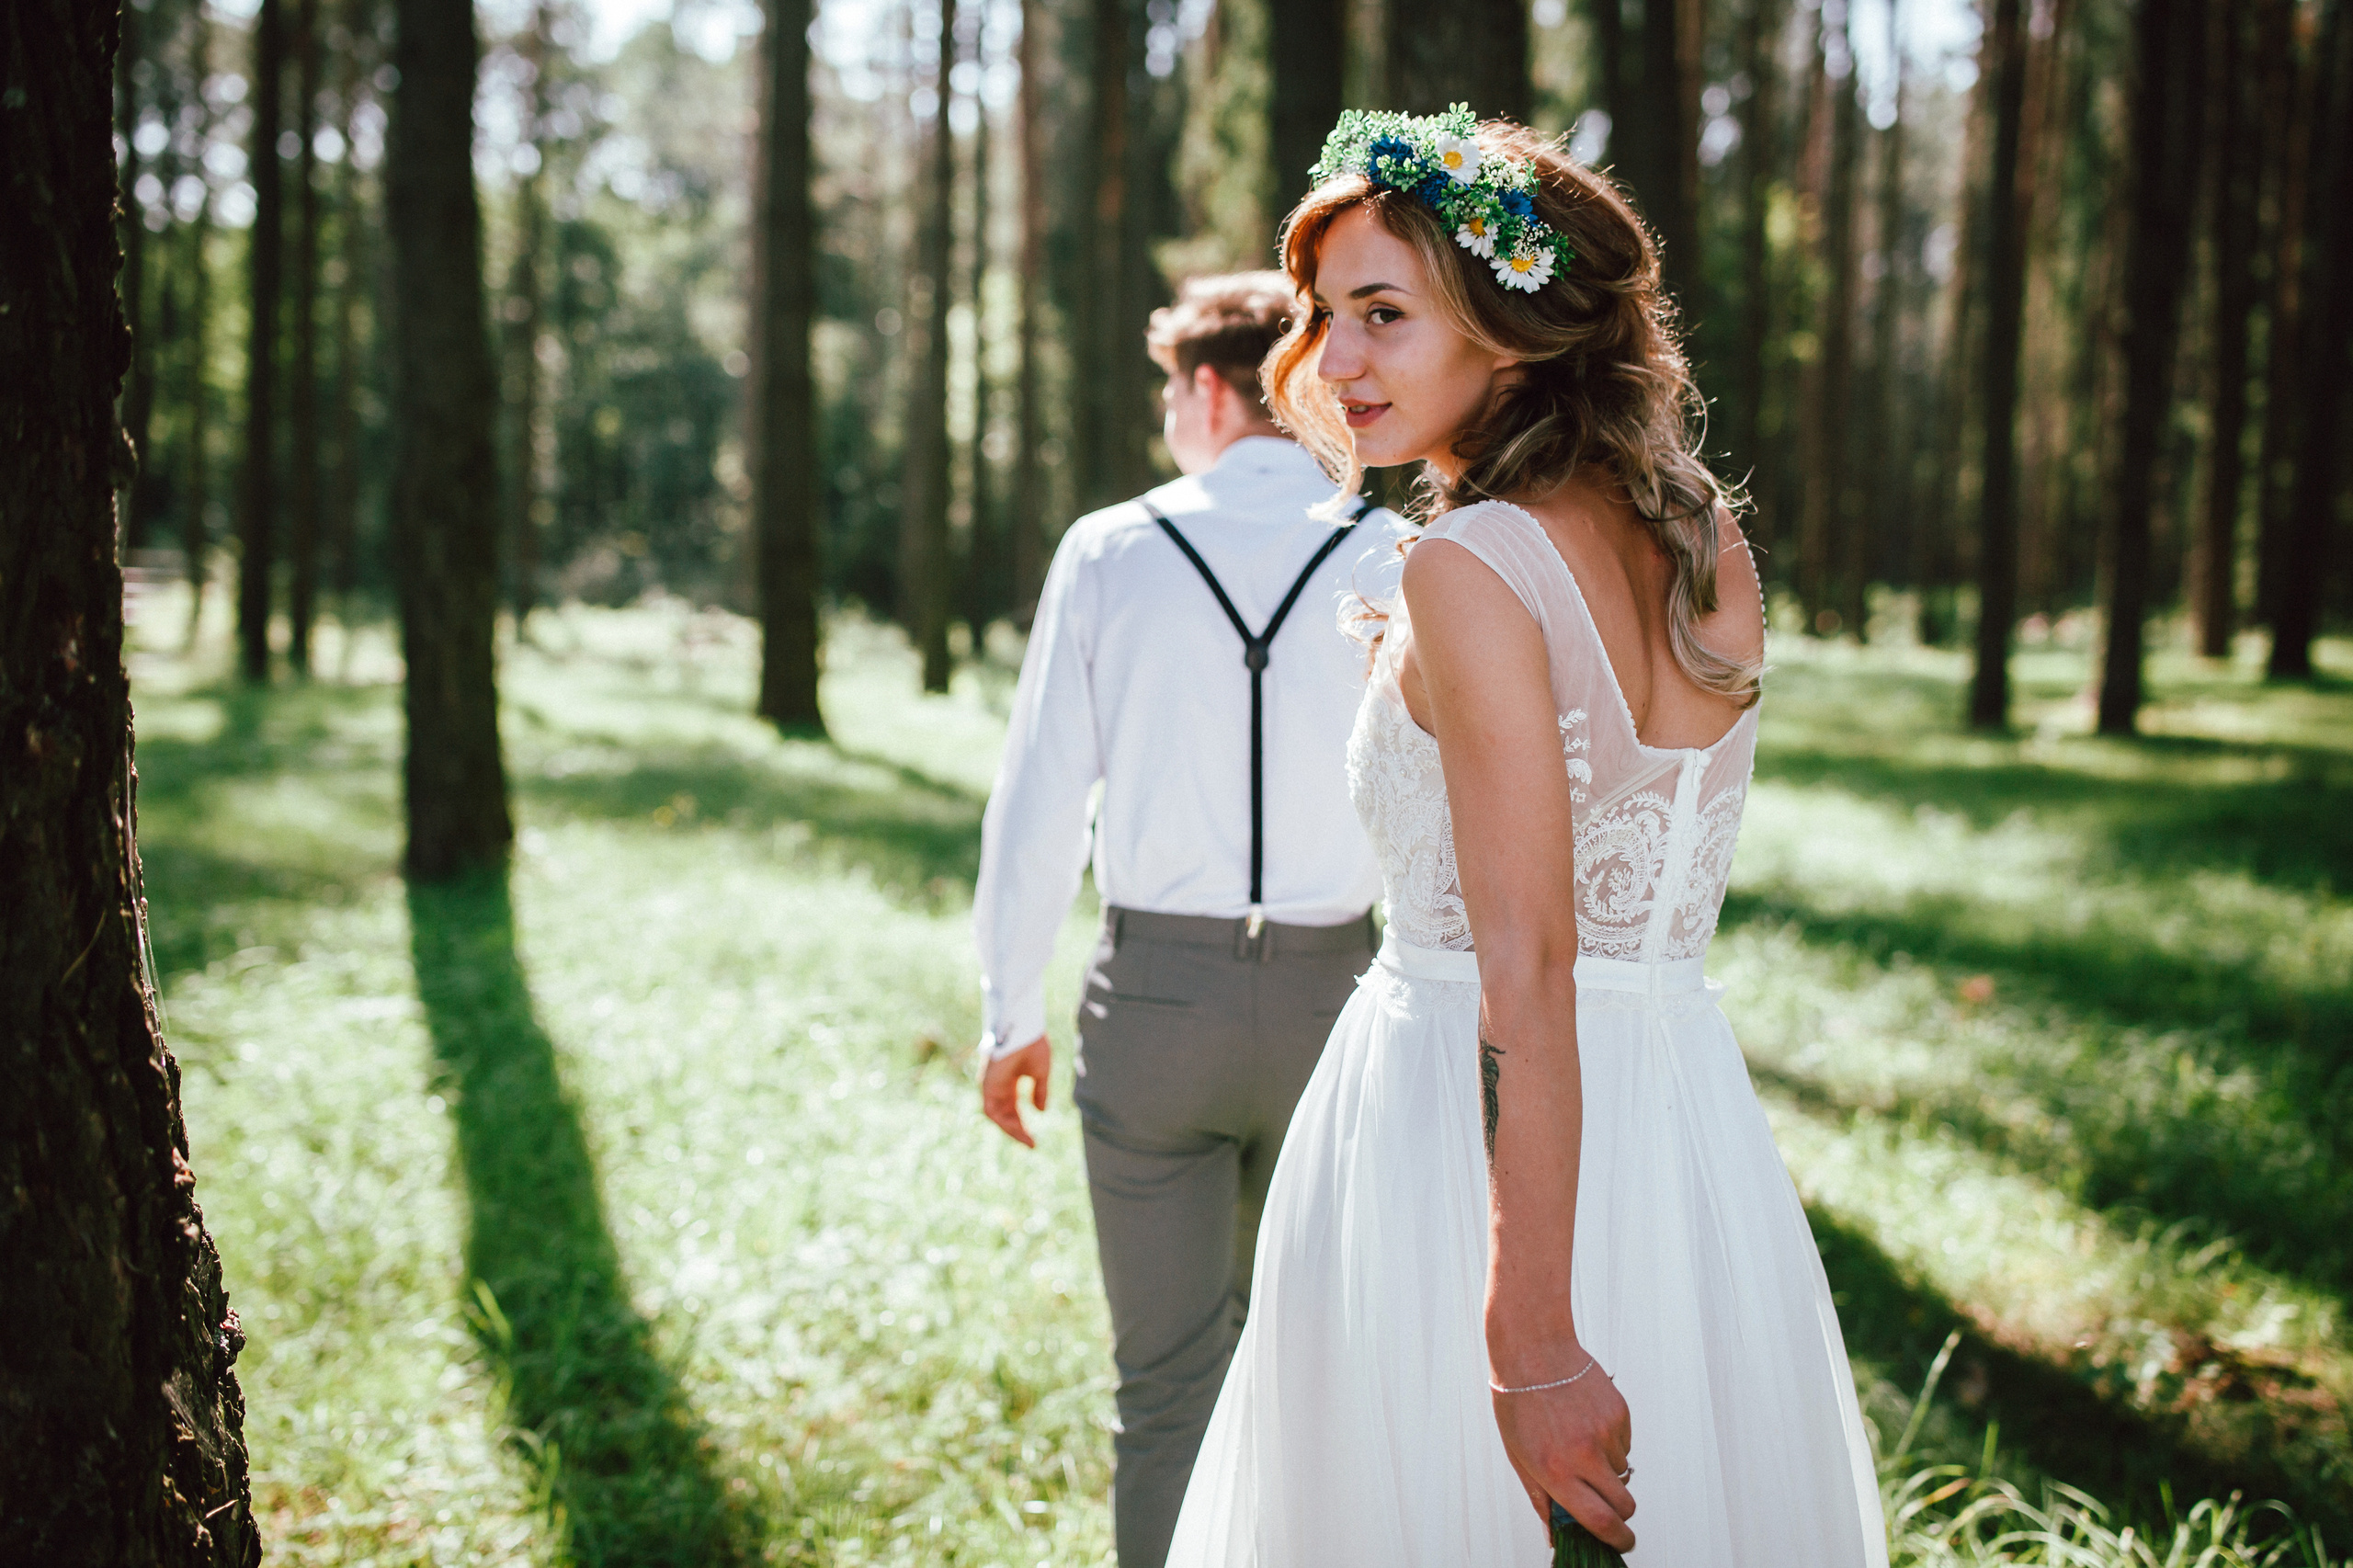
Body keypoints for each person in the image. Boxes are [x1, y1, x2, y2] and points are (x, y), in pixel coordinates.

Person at [1165, 109, 1891, 1566]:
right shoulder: (1701, 534)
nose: (1333, 360)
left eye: (1384, 312)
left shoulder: (1470, 562)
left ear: (1512, 321)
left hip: (1465, 1136)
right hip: (1680, 1124)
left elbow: (1531, 961)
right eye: (1323, 314)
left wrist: (1535, 1337)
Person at [972, 272, 1403, 1568]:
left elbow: (1038, 797)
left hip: (1156, 1003)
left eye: (1171, 392)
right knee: (1319, 1380)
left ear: (1212, 390)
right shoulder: (1392, 549)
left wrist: (1008, 1011)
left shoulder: (1112, 549)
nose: (1169, 417)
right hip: (1339, 1004)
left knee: (1166, 1388)